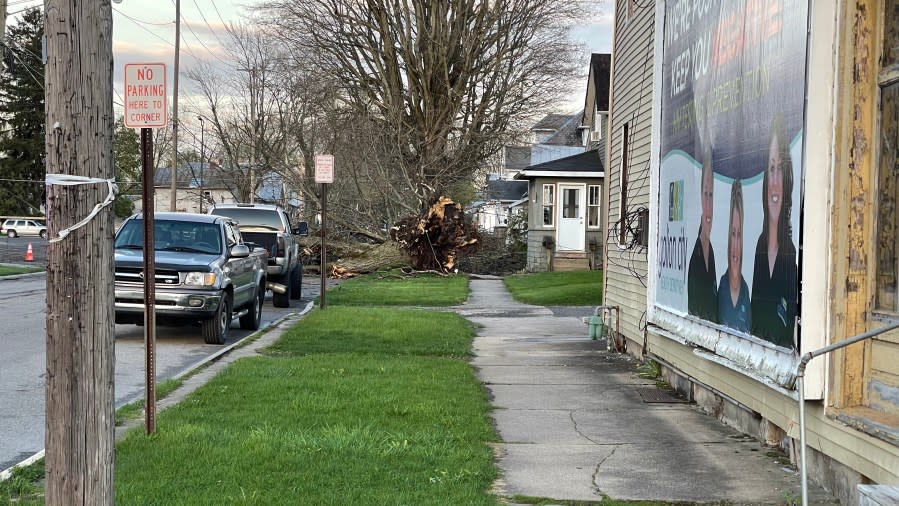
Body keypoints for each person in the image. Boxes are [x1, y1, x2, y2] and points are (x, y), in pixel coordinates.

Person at [750, 114, 798, 348]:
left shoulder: (792, 254)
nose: (775, 180)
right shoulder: (760, 246)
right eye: (771, 169)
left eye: (781, 169)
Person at [687, 151, 718, 322]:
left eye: (711, 195)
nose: (708, 203)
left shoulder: (712, 252)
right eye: (705, 194)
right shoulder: (695, 257)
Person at [718, 180, 751, 332]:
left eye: (739, 235)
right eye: (733, 234)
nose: (736, 246)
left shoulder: (746, 292)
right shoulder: (720, 289)